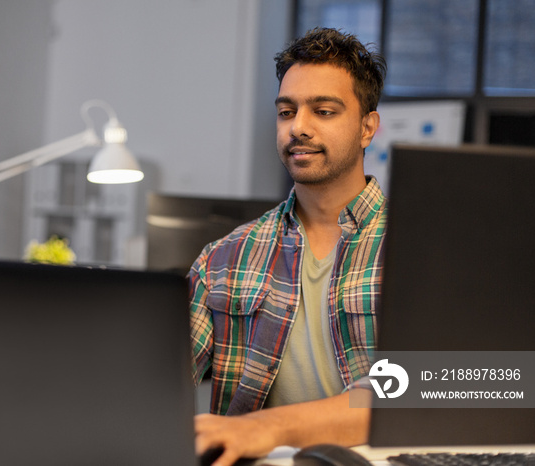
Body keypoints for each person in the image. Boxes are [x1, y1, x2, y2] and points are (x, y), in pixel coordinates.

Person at [189, 28, 388, 465]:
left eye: (323, 111)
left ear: (367, 127)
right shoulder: (223, 258)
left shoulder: (420, 255)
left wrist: (262, 428)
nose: (298, 127)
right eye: (286, 111)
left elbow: (431, 388)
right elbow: (150, 378)